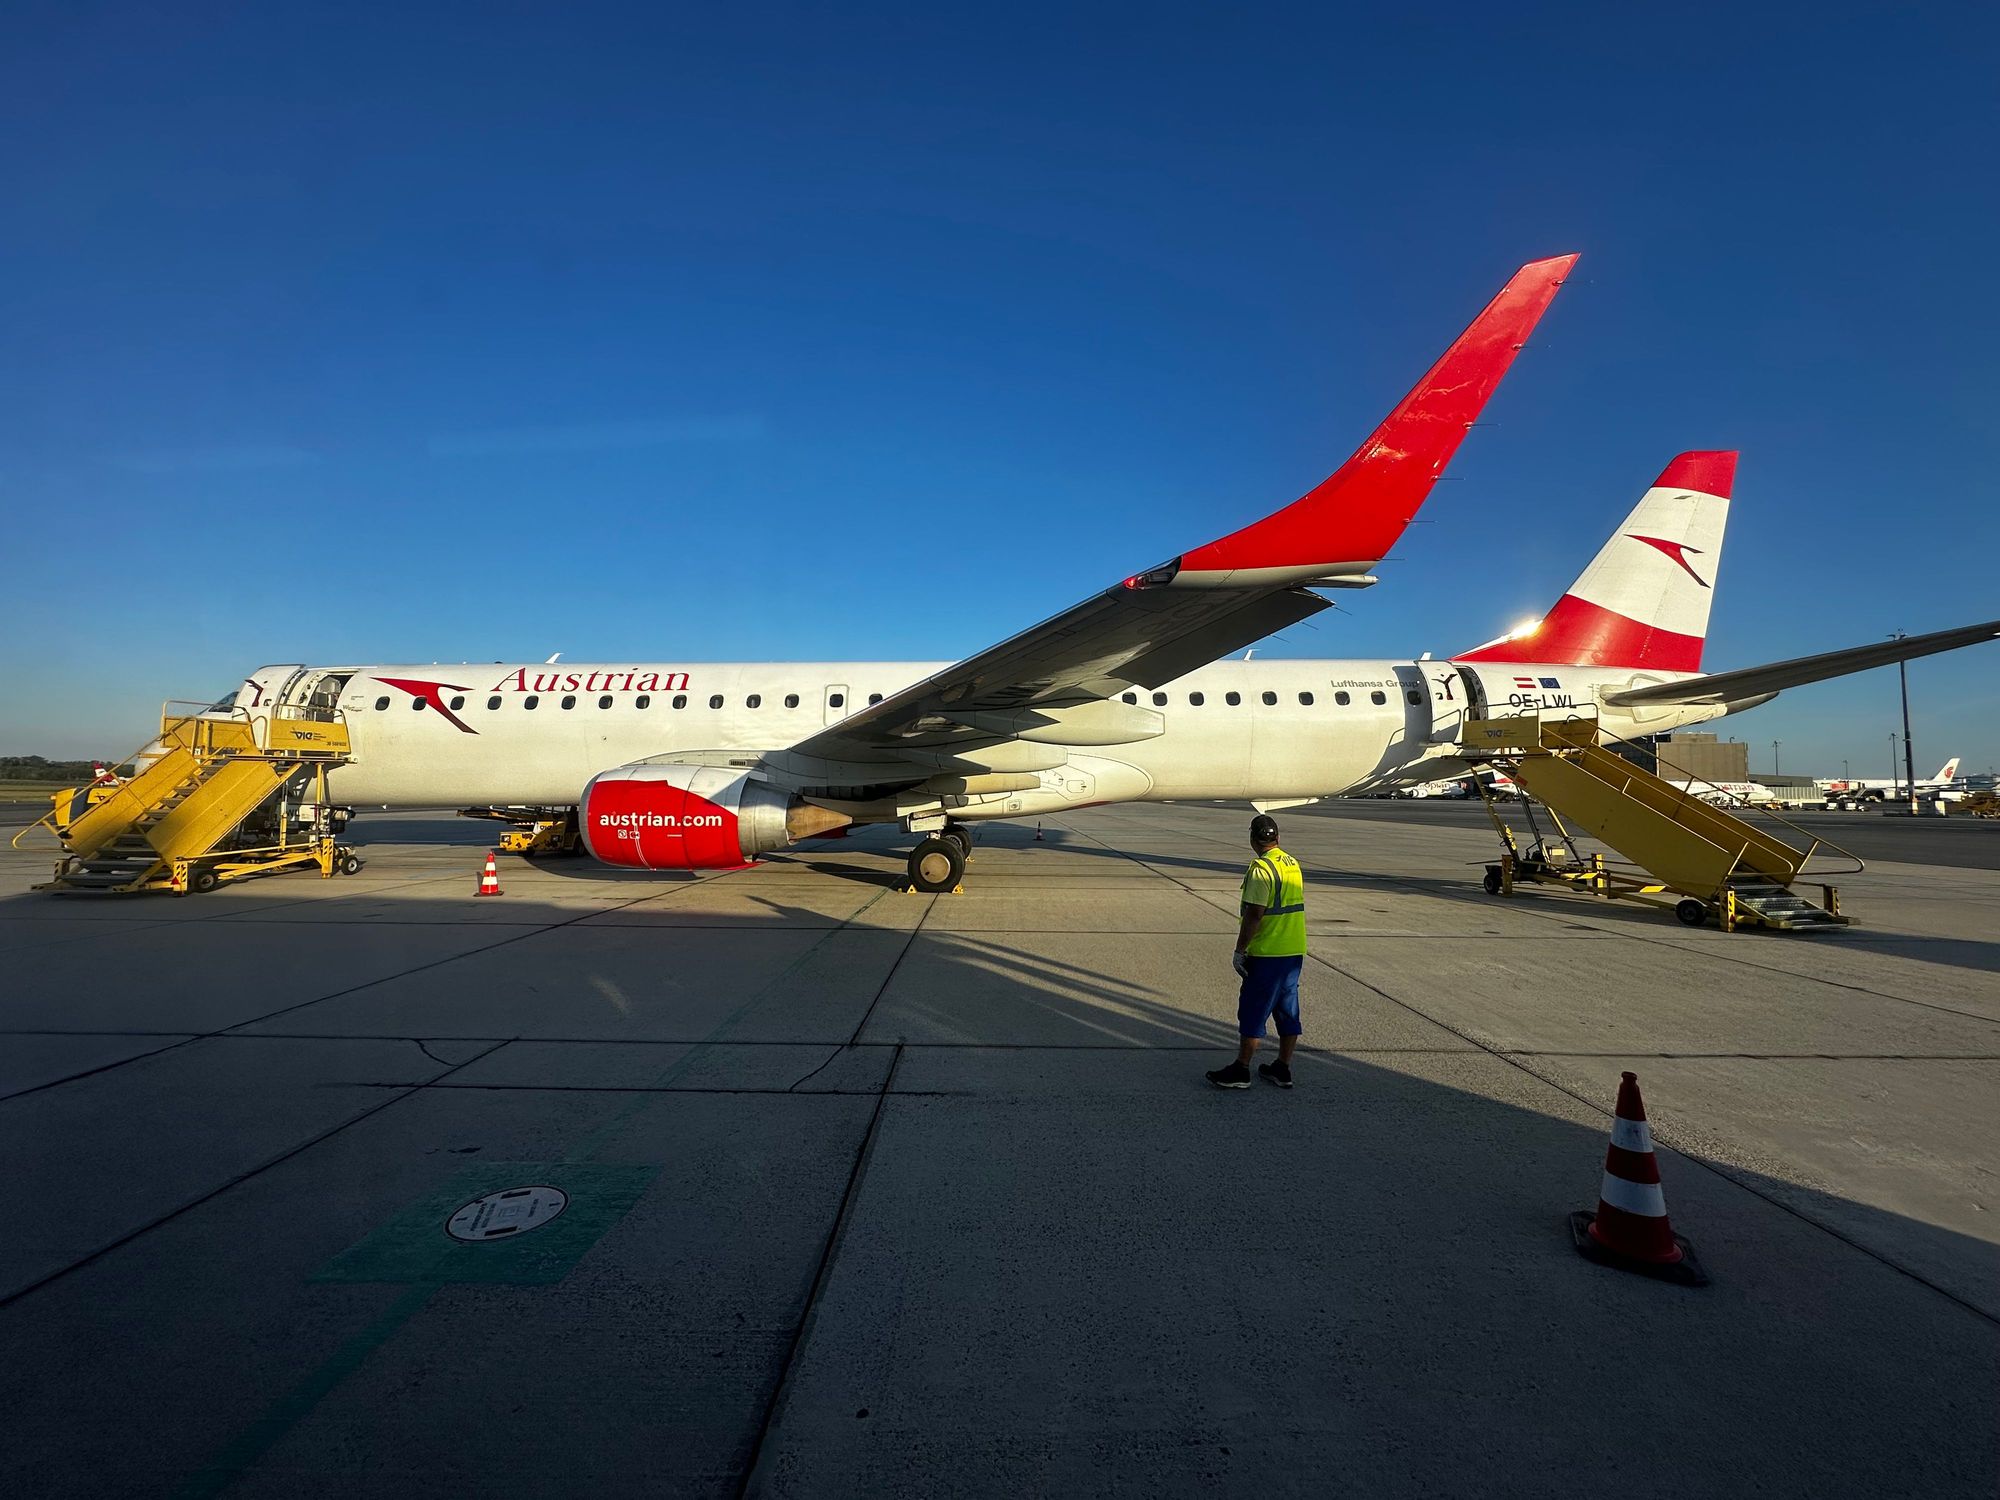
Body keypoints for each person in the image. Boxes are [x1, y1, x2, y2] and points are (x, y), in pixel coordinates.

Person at [1207, 813, 1306, 1089]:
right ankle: (1282, 1068)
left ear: (1252, 839)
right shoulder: (1292, 863)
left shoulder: (1261, 869)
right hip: (1293, 950)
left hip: (1268, 952)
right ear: (1277, 838)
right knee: (1287, 1010)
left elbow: (1254, 914)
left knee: (1253, 1009)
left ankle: (1241, 1069)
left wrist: (1240, 950)